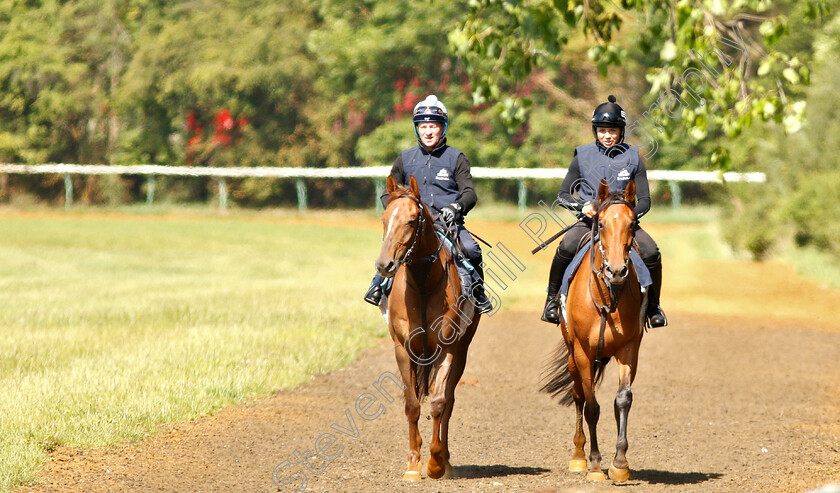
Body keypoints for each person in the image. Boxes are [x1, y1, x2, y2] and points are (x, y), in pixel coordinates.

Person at [541, 95, 668, 327]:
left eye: (612, 131)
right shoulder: (581, 155)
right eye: (601, 130)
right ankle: (551, 301)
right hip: (589, 222)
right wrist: (582, 206)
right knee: (566, 246)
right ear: (595, 131)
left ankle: (654, 307)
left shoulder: (634, 158)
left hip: (623, 225)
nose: (607, 135)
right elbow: (563, 195)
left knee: (651, 252)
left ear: (621, 131)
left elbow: (645, 201)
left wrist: (626, 217)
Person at [364, 95, 492, 314]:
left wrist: (455, 208)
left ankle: (478, 292)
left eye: (433, 126)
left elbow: (469, 193)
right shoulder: (405, 159)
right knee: (391, 248)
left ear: (443, 128)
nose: (428, 131)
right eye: (423, 126)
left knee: (471, 248)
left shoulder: (457, 158)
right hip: (412, 225)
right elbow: (389, 193)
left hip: (446, 225)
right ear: (417, 129)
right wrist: (399, 210)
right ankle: (378, 285)